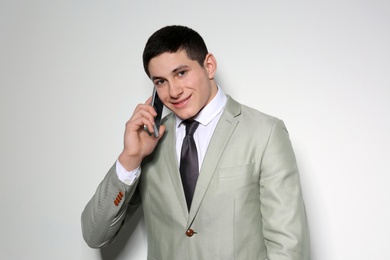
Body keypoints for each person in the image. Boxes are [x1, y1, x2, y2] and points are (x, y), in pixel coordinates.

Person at [81, 25, 310, 259]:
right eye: (160, 81)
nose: (174, 91)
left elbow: (288, 247)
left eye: (181, 73)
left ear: (209, 65)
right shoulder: (149, 140)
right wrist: (130, 158)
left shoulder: (265, 132)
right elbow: (94, 235)